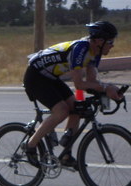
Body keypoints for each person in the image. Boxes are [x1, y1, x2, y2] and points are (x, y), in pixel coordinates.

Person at [23, 21, 122, 169]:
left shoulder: (96, 52)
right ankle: (30, 145)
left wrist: (108, 91)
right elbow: (79, 85)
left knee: (77, 108)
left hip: (50, 77)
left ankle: (66, 155)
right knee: (62, 110)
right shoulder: (80, 49)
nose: (113, 45)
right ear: (100, 41)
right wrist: (106, 87)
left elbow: (91, 81)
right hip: (35, 76)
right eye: (111, 41)